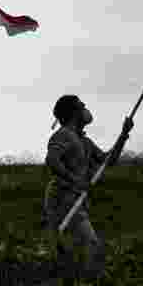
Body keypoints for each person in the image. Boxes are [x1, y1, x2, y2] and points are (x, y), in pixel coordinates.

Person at [43, 95, 133, 276]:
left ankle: (73, 279)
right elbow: (52, 160)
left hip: (76, 199)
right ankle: (91, 280)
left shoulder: (84, 141)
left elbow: (108, 161)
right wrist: (75, 180)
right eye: (82, 106)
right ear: (74, 112)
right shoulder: (63, 135)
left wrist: (123, 135)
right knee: (90, 244)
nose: (86, 109)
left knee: (73, 248)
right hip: (62, 199)